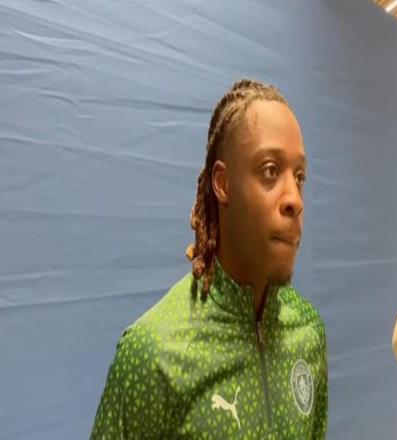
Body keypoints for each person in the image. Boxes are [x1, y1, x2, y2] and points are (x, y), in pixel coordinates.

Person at [90, 79, 328, 439]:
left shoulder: (308, 332)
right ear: (223, 183)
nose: (294, 198)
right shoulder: (153, 353)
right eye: (269, 171)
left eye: (299, 177)